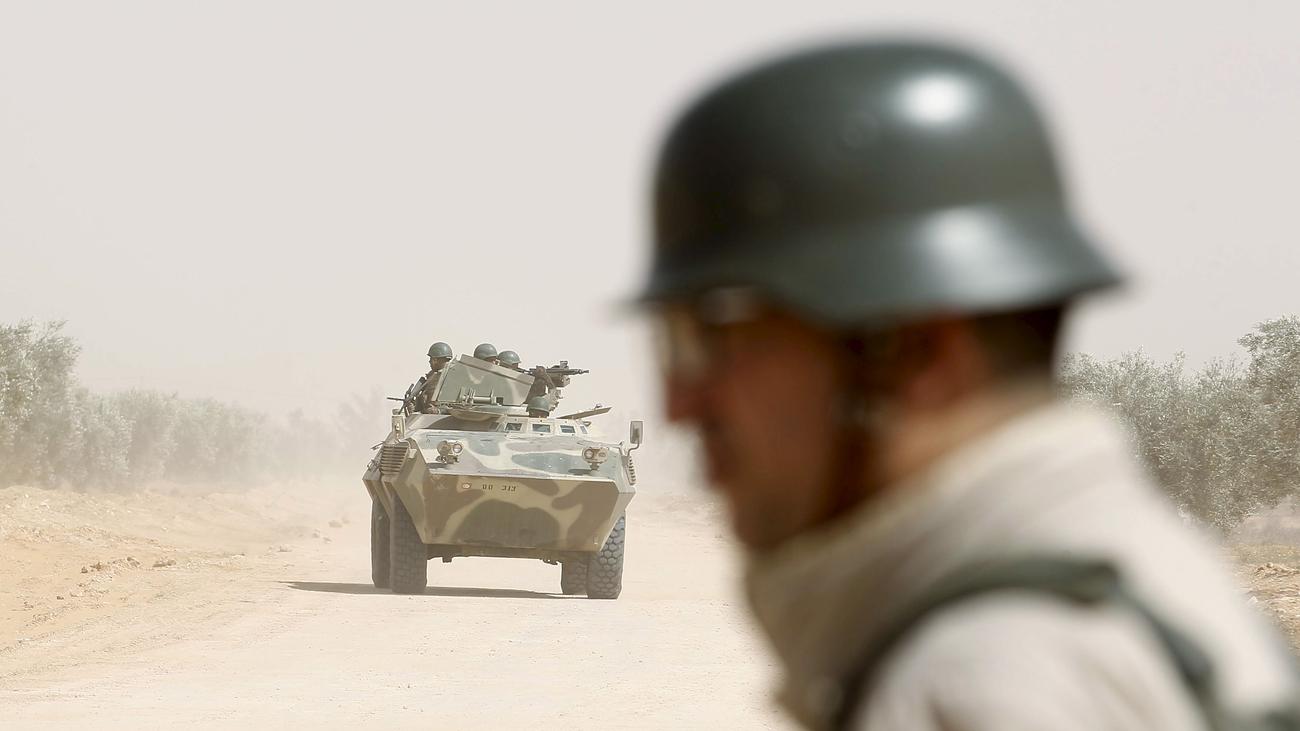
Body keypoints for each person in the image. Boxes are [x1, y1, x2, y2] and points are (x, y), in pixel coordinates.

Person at [637, 41, 1298, 730]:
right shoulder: (1139, 578)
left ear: (917, 351)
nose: (679, 405)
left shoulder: (980, 682)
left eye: (711, 341)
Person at [410, 341, 452, 413]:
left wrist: (438, 411)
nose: (429, 361)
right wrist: (413, 407)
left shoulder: (452, 378)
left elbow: (455, 405)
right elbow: (423, 401)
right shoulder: (431, 376)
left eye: (432, 359)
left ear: (436, 360)